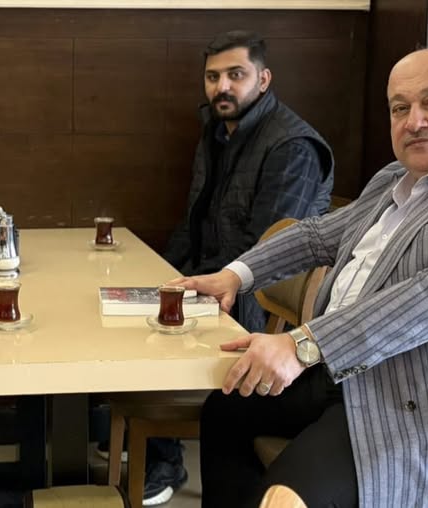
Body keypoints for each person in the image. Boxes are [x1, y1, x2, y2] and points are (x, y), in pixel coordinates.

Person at [181, 47, 428, 507]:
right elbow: (317, 236)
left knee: (283, 498)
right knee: (227, 408)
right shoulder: (394, 178)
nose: (415, 121)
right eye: (400, 108)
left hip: (422, 404)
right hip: (345, 374)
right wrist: (234, 276)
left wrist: (303, 344)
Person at [125, 31, 335, 506]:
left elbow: (269, 250)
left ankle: (163, 457)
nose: (222, 86)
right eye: (213, 76)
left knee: (143, 332)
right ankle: (144, 440)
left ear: (264, 79)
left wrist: (193, 290)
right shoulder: (218, 132)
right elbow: (195, 221)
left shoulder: (293, 146)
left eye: (235, 75)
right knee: (125, 310)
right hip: (215, 282)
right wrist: (163, 280)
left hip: (253, 306)